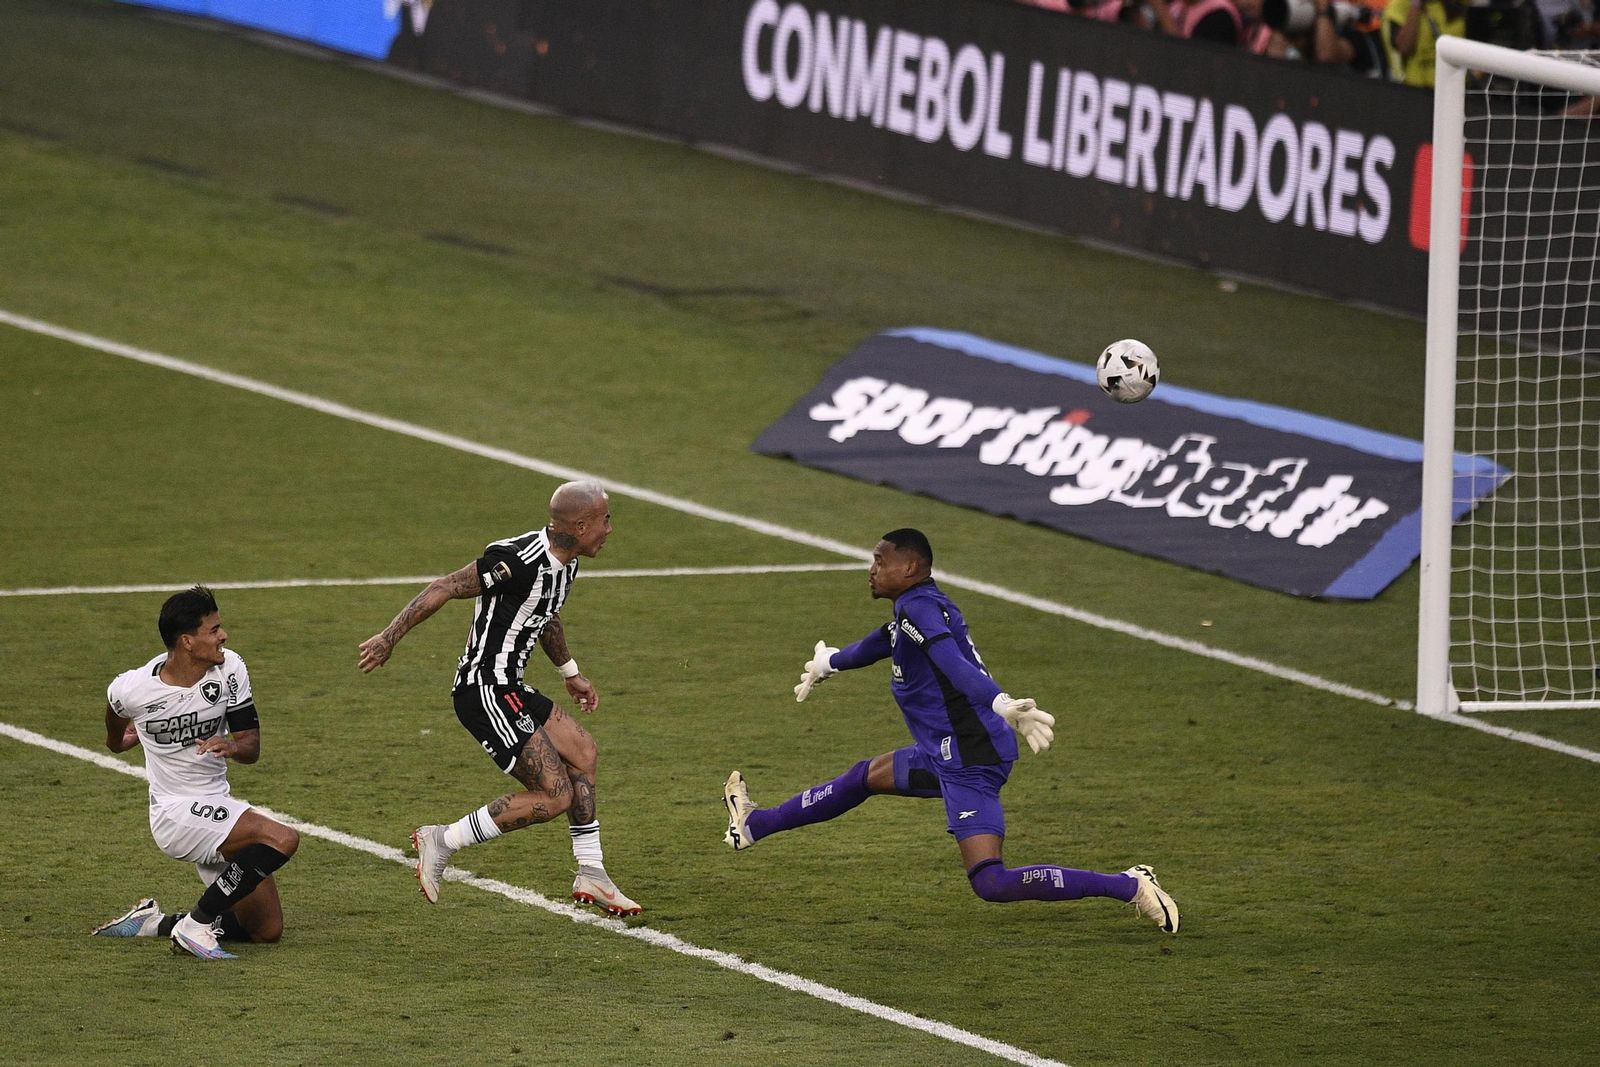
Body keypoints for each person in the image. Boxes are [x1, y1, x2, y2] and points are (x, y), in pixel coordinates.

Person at [721, 529, 1179, 931]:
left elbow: (951, 662)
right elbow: (882, 641)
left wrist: (1001, 703)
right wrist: (830, 663)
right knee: (864, 777)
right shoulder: (912, 611)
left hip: (969, 758)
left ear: (912, 566)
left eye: (881, 560)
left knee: (991, 882)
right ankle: (755, 825)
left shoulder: (921, 612)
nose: (872, 569)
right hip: (942, 750)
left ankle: (1129, 885)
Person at [357, 479, 640, 916]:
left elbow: (546, 615)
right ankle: (441, 840)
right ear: (581, 525)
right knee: (554, 795)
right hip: (483, 689)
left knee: (583, 751)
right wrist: (389, 637)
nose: (611, 529)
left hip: (511, 686)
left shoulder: (568, 562)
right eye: (605, 519)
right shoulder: (514, 561)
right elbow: (445, 586)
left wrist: (571, 673)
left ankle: (592, 872)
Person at [92, 586, 301, 961]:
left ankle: (156, 923)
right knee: (282, 838)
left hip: (216, 807)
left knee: (265, 930)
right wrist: (116, 741)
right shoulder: (136, 687)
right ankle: (197, 924)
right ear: (187, 641)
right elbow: (114, 705)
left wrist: (233, 747)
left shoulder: (230, 668)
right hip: (175, 813)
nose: (224, 635)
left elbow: (250, 746)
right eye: (213, 629)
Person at [1383, 0, 1466, 87]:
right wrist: (1415, 6)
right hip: (1418, 87)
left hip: (1454, 85)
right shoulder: (1400, 6)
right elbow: (1404, 48)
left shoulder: (1456, 4)